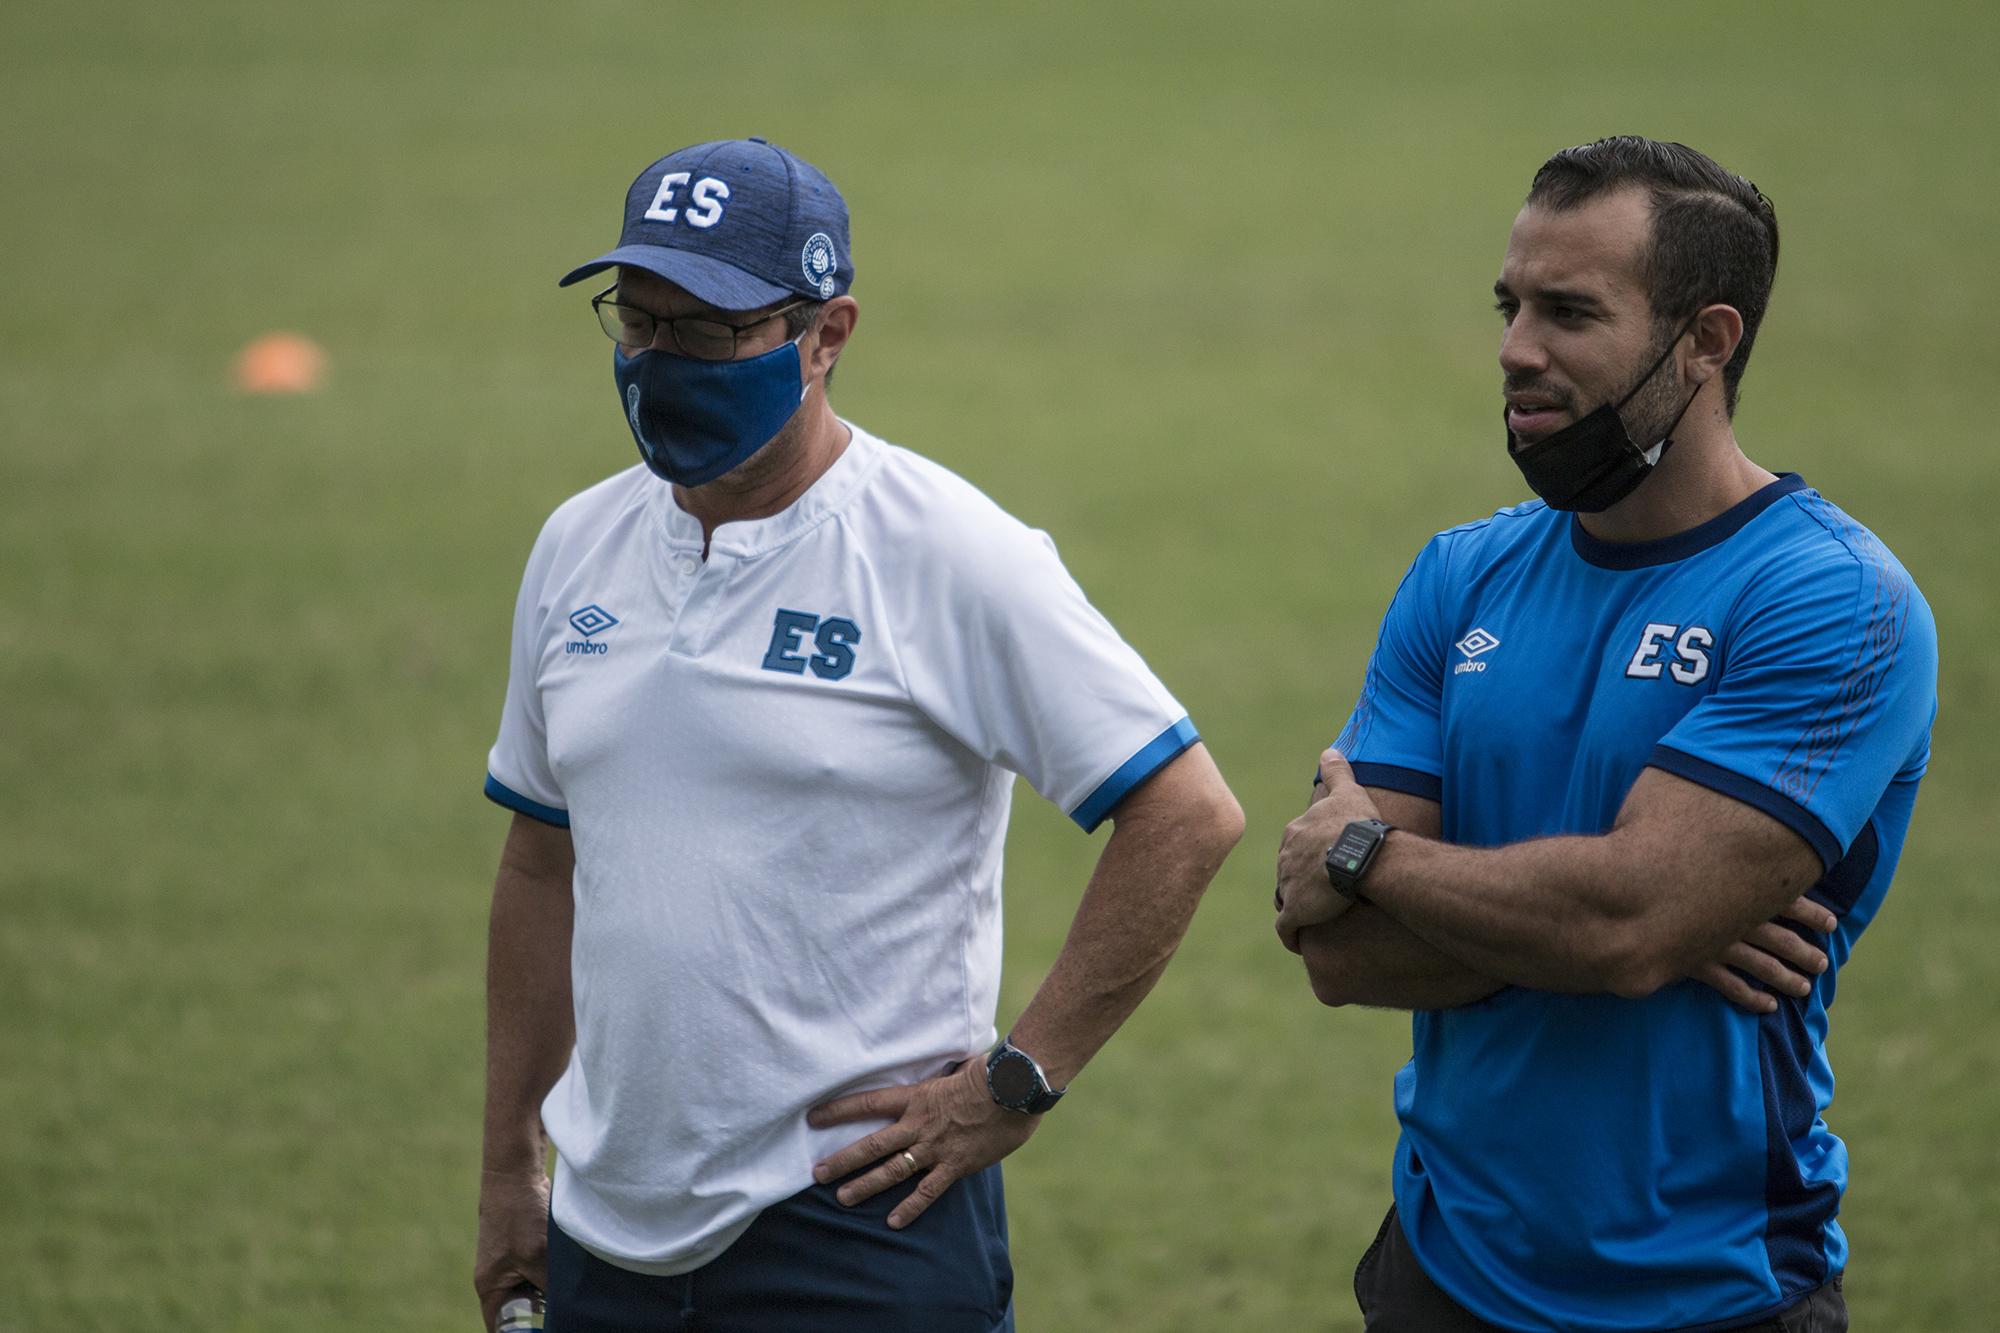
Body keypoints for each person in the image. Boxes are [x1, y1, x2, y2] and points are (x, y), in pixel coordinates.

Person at [472, 137, 1243, 1333]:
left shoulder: (945, 552)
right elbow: (540, 860)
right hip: (604, 1234)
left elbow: (1186, 811)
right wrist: (506, 1168)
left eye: (710, 331)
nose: (664, 361)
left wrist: (1017, 1083)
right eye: (638, 322)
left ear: (826, 334)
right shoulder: (576, 545)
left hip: (854, 1230)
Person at [1273, 136, 1937, 1332]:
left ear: (1705, 340)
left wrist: (1370, 857)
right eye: (1510, 304)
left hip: (1714, 1283)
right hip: (1444, 1270)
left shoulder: (1832, 600)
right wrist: (1631, 920)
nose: (1515, 348)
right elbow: (1342, 958)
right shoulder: (1459, 576)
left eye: (1569, 312)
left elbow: (1626, 923)